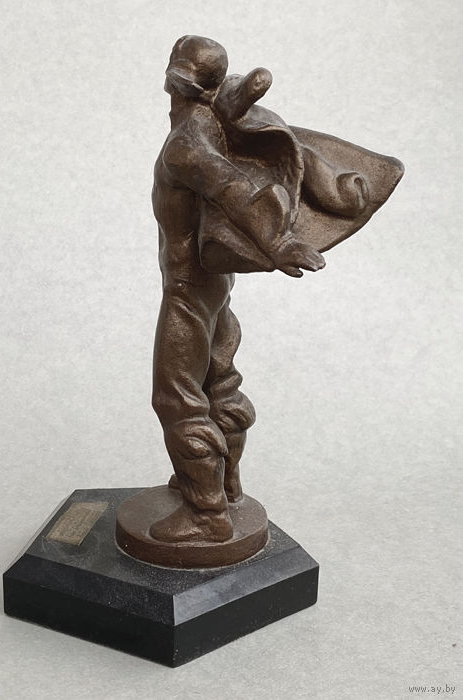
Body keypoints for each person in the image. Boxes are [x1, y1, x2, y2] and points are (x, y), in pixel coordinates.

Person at [150, 36, 326, 543]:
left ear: (171, 80)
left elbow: (231, 185)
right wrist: (236, 97)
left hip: (187, 290)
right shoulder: (209, 122)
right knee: (219, 385)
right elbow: (226, 112)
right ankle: (224, 485)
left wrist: (278, 240)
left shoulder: (184, 146)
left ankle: (207, 514)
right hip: (215, 289)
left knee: (177, 399)